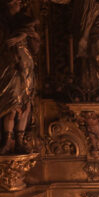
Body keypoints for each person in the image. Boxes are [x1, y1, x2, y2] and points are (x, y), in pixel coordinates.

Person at [0, 0, 39, 155]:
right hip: (9, 66)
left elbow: (34, 36)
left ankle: (20, 139)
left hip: (26, 64)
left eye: (18, 2)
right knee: (11, 104)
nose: (17, 5)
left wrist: (23, 36)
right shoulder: (3, 22)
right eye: (14, 2)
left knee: (26, 102)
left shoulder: (24, 20)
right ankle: (8, 140)